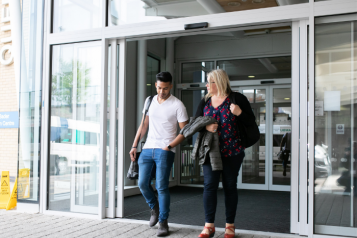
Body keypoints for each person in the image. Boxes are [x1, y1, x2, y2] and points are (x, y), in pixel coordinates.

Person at [194, 69, 256, 238]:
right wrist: (206, 126)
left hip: (232, 152)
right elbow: (195, 122)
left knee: (229, 186)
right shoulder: (205, 101)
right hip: (210, 152)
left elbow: (251, 121)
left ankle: (230, 225)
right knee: (209, 186)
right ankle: (209, 225)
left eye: (210, 82)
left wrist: (239, 113)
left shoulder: (237, 99)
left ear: (219, 83)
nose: (206, 85)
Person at [129, 71, 189, 237]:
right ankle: (154, 207)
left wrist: (169, 146)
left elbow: (185, 131)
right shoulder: (149, 101)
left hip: (165, 150)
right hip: (148, 148)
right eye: (159, 87)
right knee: (142, 183)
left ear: (171, 86)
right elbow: (143, 126)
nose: (162, 91)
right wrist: (134, 146)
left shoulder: (177, 105)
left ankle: (163, 222)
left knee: (161, 186)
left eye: (166, 88)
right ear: (156, 85)